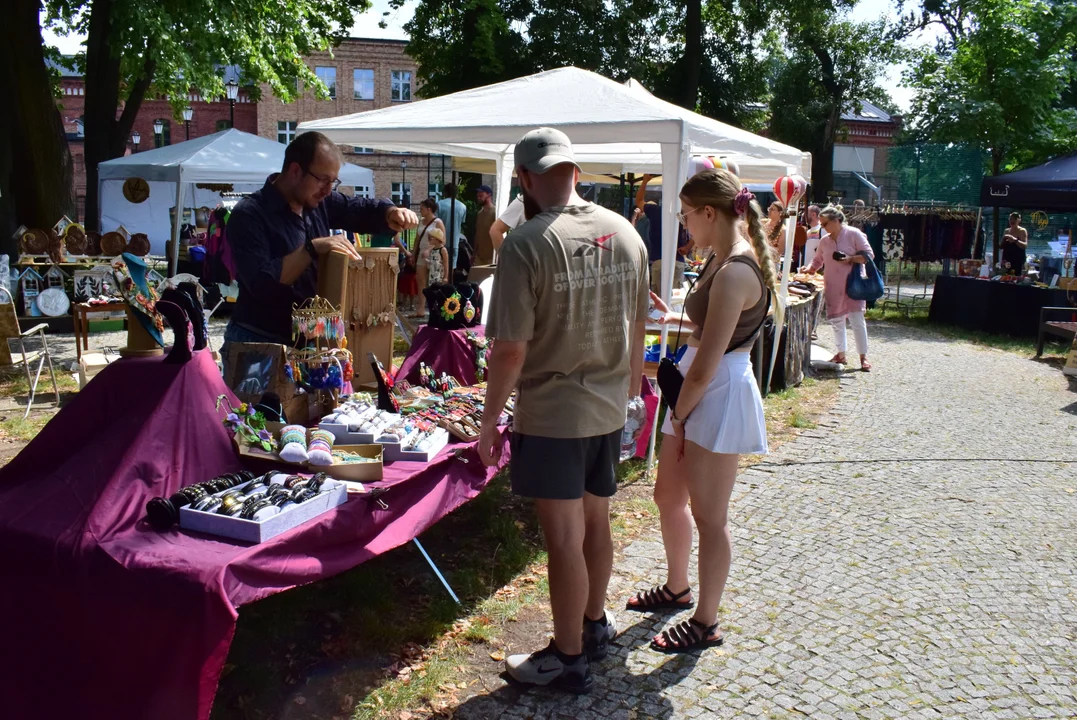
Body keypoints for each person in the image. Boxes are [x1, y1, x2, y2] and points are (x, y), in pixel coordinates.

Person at [477, 127, 649, 694]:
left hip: (554, 414)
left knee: (564, 540)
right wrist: (627, 394)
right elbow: (639, 326)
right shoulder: (625, 232)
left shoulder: (524, 243)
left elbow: (508, 349)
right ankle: (593, 625)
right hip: (606, 407)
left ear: (525, 178)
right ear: (575, 171)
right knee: (596, 523)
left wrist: (488, 424)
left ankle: (568, 655)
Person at [629, 168, 779, 653]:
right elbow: (706, 328)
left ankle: (705, 622)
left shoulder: (736, 268)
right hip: (698, 391)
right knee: (668, 495)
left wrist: (680, 413)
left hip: (714, 393)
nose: (684, 225)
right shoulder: (720, 257)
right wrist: (669, 316)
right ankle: (678, 588)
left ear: (709, 213)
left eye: (686, 216)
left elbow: (706, 364)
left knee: (710, 516)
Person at [223, 132, 417, 365]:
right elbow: (261, 283)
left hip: (311, 341)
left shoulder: (319, 203)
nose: (327, 189)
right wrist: (311, 248)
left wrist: (390, 212)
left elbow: (361, 209)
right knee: (259, 405)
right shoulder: (249, 214)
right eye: (322, 180)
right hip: (258, 343)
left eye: (333, 182)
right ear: (295, 171)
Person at [800, 205, 874, 371]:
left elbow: (868, 256)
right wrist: (809, 268)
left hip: (853, 285)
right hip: (833, 285)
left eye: (825, 224)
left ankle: (863, 357)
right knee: (836, 321)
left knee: (857, 320)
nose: (824, 228)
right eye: (822, 224)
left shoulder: (854, 234)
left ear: (836, 221)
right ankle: (841, 353)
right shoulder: (824, 241)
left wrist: (850, 258)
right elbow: (818, 260)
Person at [635, 176, 691, 291]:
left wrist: (645, 181)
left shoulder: (655, 210)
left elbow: (639, 201)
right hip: (677, 260)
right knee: (676, 300)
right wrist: (688, 246)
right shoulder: (684, 213)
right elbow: (696, 231)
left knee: (658, 301)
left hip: (658, 260)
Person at [413, 198, 447, 317]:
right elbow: (417, 239)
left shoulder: (437, 222)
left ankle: (437, 308)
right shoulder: (421, 222)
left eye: (422, 209)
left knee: (434, 282)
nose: (420, 211)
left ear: (429, 209)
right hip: (422, 253)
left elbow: (443, 240)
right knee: (420, 281)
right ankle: (420, 309)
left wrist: (430, 249)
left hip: (434, 255)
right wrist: (414, 253)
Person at [437, 183, 467, 277]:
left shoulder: (439, 204)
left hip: (440, 241)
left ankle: (441, 289)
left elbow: (435, 222)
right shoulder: (462, 206)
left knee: (440, 268)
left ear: (445, 192)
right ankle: (450, 287)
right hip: (454, 241)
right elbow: (462, 222)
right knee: (451, 268)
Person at [473, 185, 496, 266]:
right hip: (479, 257)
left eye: (481, 195)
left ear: (489, 195)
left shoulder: (495, 213)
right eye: (478, 196)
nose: (479, 198)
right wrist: (474, 254)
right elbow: (477, 234)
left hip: (492, 258)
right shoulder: (479, 214)